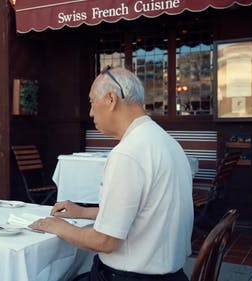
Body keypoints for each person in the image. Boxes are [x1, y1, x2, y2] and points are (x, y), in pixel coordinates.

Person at [29, 67, 193, 281]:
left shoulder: (128, 153)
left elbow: (104, 241)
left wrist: (60, 227)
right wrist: (81, 212)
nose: (90, 112)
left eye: (91, 102)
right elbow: (146, 212)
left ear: (110, 99)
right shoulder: (167, 143)